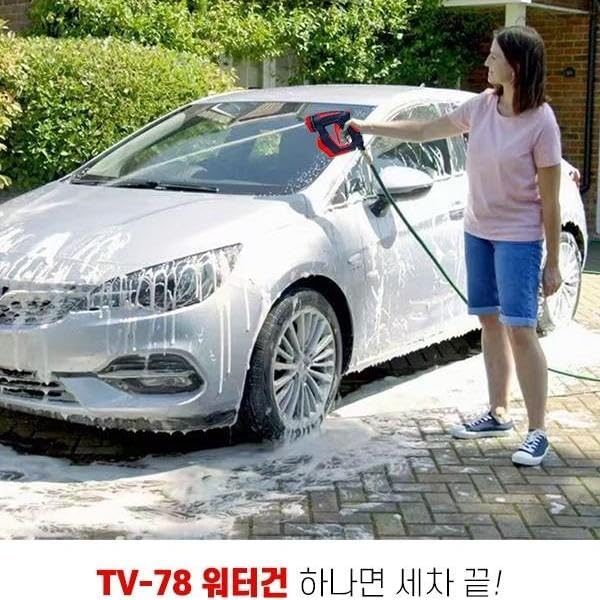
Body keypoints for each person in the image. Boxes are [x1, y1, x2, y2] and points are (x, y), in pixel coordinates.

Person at [346, 25, 563, 467]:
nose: (486, 63)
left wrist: (554, 262)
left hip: (519, 237)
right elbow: (426, 129)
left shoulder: (542, 122)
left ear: (515, 66)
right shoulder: (481, 107)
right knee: (488, 321)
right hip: (478, 230)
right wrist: (367, 126)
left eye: (494, 57)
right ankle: (498, 412)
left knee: (521, 328)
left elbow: (552, 200)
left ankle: (538, 431)